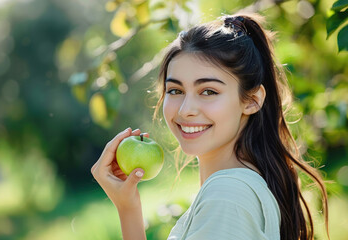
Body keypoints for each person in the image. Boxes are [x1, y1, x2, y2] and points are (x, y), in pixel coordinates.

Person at [91, 12, 329, 240]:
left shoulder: (227, 196)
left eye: (208, 91)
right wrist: (128, 207)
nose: (185, 109)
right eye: (175, 90)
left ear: (252, 100)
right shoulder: (236, 189)